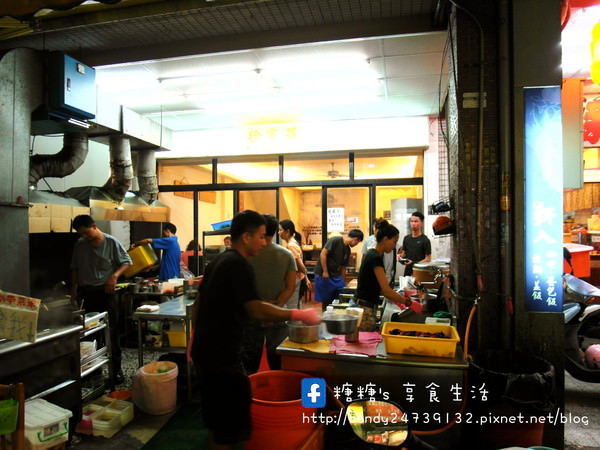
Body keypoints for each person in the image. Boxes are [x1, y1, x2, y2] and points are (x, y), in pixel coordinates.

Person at [190, 210, 320, 450]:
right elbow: (255, 309)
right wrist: (297, 313)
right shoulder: (238, 265)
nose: (265, 241)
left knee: (217, 420)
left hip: (206, 351)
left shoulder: (219, 260)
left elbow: (198, 303)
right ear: (246, 237)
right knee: (229, 424)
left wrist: (194, 340)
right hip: (222, 354)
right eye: (261, 236)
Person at [70, 215, 132, 385]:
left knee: (112, 332)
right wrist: (74, 292)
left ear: (95, 226)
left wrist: (114, 276)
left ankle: (116, 371)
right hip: (86, 293)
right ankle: (92, 371)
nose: (85, 237)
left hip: (105, 293)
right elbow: (74, 269)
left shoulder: (111, 242)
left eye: (87, 233)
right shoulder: (80, 244)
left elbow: (126, 262)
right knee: (89, 335)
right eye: (81, 234)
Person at [243, 214, 297, 373]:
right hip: (277, 314)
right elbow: (290, 287)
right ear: (274, 232)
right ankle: (277, 391)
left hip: (250, 313)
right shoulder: (286, 255)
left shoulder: (246, 254)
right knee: (278, 360)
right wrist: (277, 307)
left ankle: (249, 393)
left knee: (248, 362)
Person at [356, 223, 412, 331]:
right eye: (394, 242)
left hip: (366, 305)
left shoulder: (373, 254)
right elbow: (386, 290)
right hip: (366, 309)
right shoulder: (375, 258)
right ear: (385, 239)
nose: (394, 246)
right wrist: (406, 301)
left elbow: (381, 288)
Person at [314, 229, 364, 307]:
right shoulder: (335, 240)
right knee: (326, 300)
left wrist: (343, 281)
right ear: (356, 239)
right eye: (357, 243)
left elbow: (343, 267)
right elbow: (323, 254)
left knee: (339, 296)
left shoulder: (347, 250)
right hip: (324, 274)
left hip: (335, 275)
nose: (356, 244)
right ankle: (325, 315)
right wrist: (325, 271)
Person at [279, 219, 311, 304]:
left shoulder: (291, 245)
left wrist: (305, 276)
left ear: (287, 231)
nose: (279, 232)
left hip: (296, 279)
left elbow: (299, 265)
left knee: (292, 305)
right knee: (296, 304)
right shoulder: (294, 242)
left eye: (280, 230)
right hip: (299, 278)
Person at [362, 218, 397, 286]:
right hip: (373, 282)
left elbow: (392, 265)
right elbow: (364, 258)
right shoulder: (371, 249)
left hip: (388, 280)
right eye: (376, 229)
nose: (377, 231)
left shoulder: (390, 244)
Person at [399, 212, 431, 277]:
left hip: (420, 272)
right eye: (411, 221)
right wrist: (399, 257)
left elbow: (428, 259)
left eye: (416, 221)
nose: (413, 223)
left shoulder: (425, 240)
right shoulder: (406, 238)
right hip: (407, 272)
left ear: (422, 223)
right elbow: (403, 254)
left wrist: (414, 263)